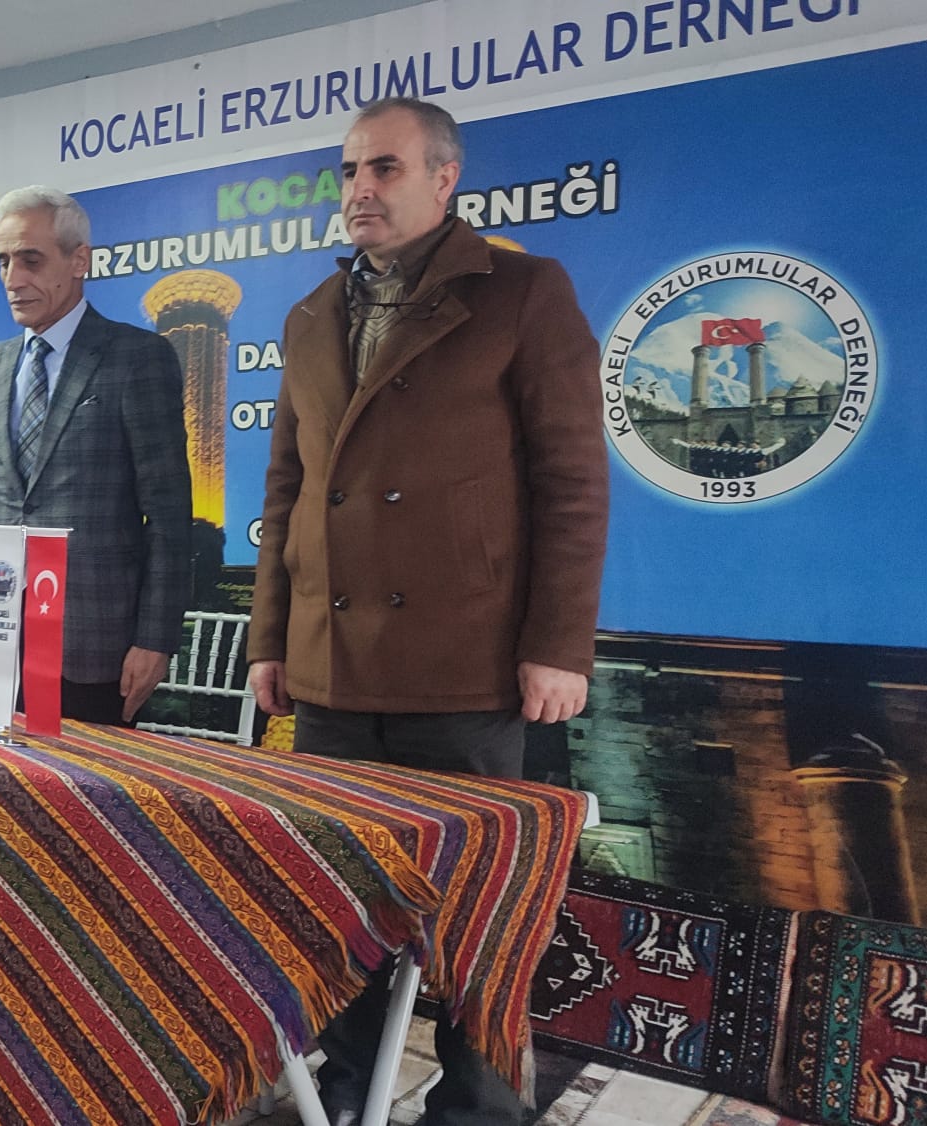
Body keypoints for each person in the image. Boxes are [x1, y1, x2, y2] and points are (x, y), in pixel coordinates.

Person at [245, 97, 609, 1125]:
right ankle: (344, 1085)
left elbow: (573, 483)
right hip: (331, 666)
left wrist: (557, 645)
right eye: (349, 170)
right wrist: (270, 639)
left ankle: (480, 1105)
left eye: (385, 168)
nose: (359, 188)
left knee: (478, 915)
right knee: (342, 903)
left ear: (445, 178)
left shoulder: (522, 292)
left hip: (466, 661)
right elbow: (286, 493)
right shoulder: (311, 314)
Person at [0, 186, 191, 724]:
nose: (13, 279)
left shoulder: (136, 358)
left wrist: (155, 639)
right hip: (4, 638)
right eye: (3, 261)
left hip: (98, 646)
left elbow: (168, 513)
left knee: (86, 781)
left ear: (79, 260)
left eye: (31, 260)